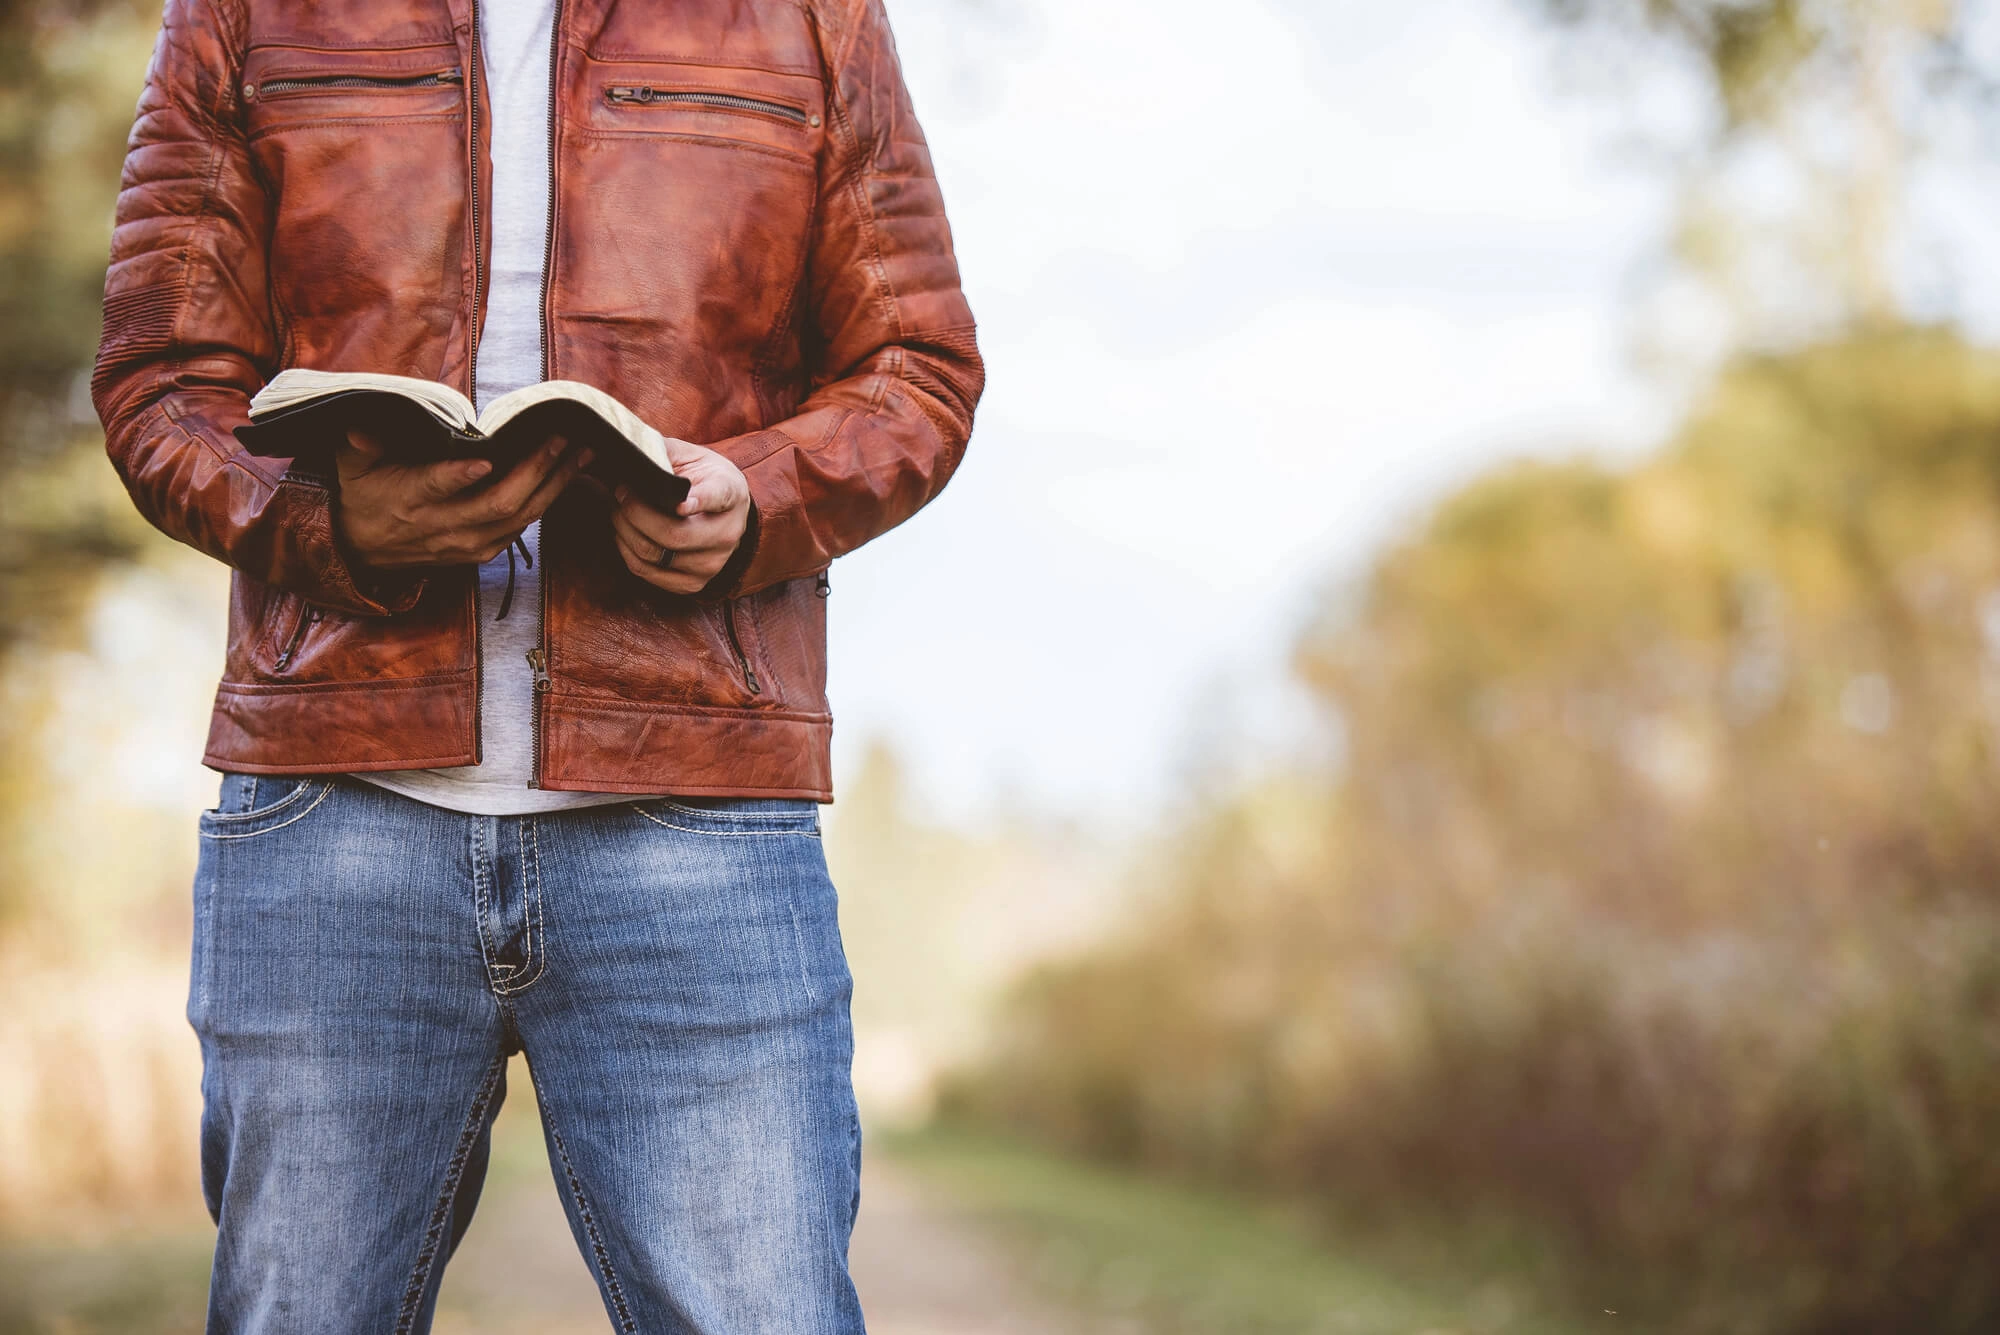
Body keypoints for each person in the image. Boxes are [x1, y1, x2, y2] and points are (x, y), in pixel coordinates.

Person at [90, 0, 981, 1326]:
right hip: (332, 807)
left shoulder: (811, 15)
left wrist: (759, 496)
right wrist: (326, 523)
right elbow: (159, 378)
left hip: (699, 803)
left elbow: (917, 364)